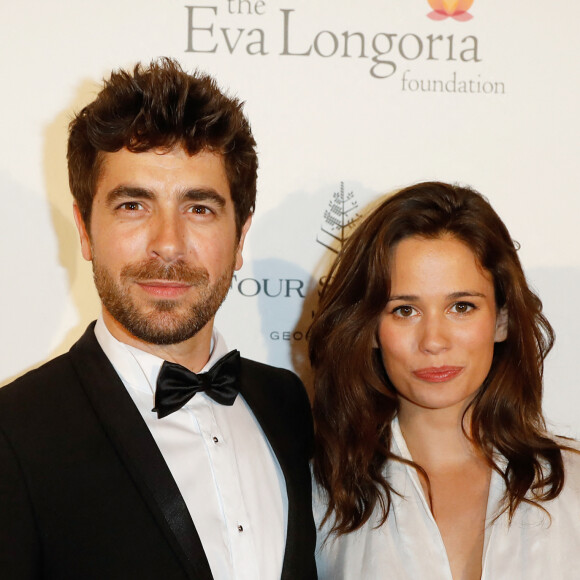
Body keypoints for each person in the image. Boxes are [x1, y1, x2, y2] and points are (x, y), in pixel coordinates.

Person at [0, 58, 317, 580]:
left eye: (199, 208)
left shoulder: (287, 405)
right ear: (84, 229)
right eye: (133, 205)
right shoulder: (13, 436)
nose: (168, 243)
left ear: (240, 237)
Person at [309, 181, 580, 580]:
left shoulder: (571, 486)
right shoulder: (317, 498)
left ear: (501, 320)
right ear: (369, 328)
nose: (434, 341)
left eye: (461, 306)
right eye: (404, 310)